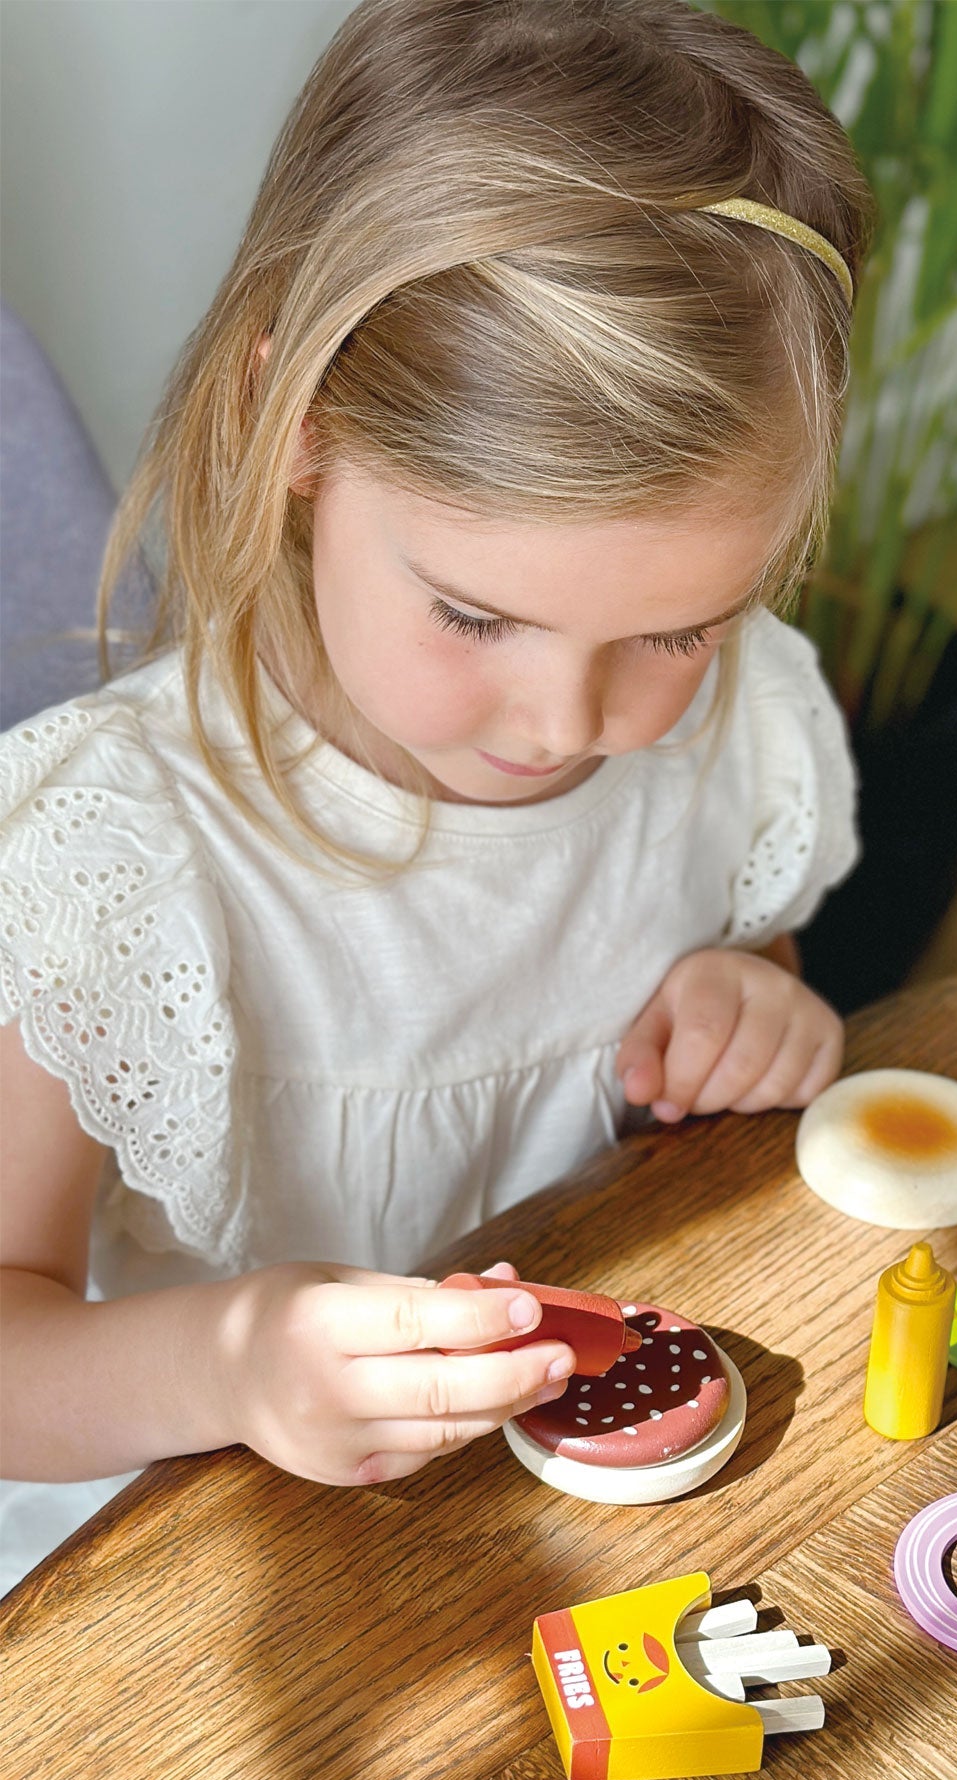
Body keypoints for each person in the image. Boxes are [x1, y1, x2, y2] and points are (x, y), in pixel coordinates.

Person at [0, 0, 876, 1597]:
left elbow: (723, 980)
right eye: (477, 616)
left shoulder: (726, 731)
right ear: (304, 430)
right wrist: (235, 1361)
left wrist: (755, 1001)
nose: (567, 720)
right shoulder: (111, 862)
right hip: (191, 1570)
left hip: (552, 1532)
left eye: (676, 628)